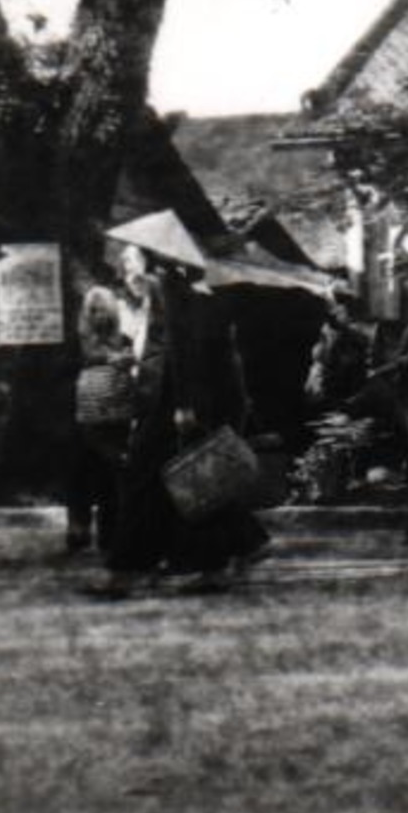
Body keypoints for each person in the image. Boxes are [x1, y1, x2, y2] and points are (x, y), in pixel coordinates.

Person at [85, 212, 272, 598]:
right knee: (188, 477)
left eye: (134, 254)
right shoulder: (187, 285)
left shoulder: (168, 287)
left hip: (176, 395)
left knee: (150, 475)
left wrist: (184, 404)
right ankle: (235, 547)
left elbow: (181, 350)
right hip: (188, 393)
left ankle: (128, 568)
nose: (126, 260)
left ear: (154, 257)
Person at [65, 283, 134, 554]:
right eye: (93, 310)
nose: (98, 315)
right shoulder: (79, 340)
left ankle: (110, 534)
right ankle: (79, 528)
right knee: (82, 472)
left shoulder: (123, 338)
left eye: (103, 309)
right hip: (87, 415)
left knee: (110, 474)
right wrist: (108, 358)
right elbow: (78, 361)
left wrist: (124, 360)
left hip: (117, 413)